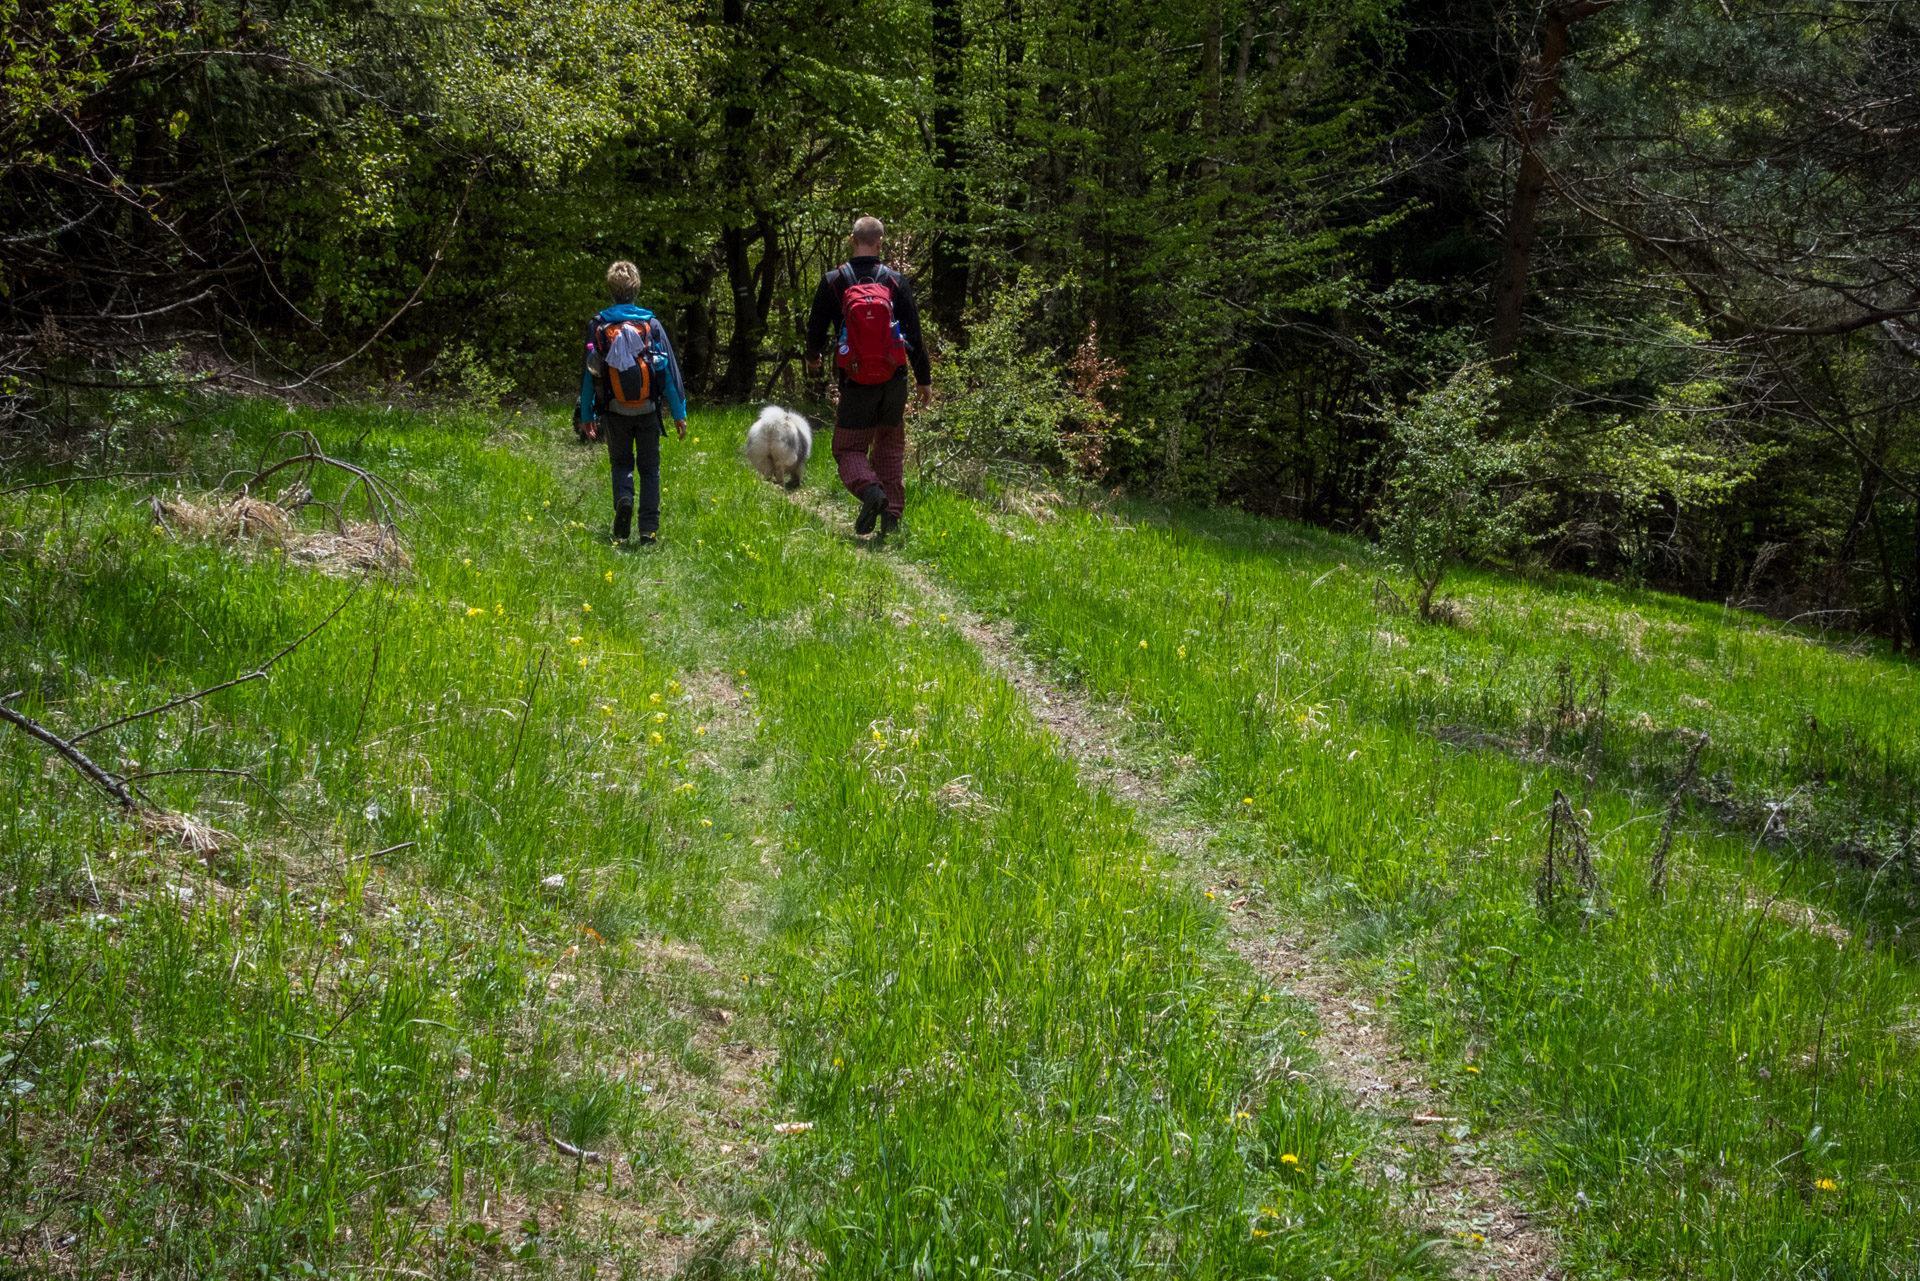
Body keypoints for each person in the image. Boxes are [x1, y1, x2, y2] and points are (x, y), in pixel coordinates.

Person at [805, 216, 932, 542]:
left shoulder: (834, 280)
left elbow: (816, 330)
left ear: (851, 240)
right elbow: (914, 336)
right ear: (880, 243)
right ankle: (891, 519)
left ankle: (871, 491)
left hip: (856, 380)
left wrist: (813, 358)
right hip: (895, 378)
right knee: (890, 444)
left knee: (847, 448)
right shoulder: (895, 281)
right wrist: (923, 380)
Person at [577, 260, 689, 544]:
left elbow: (591, 374)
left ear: (611, 290)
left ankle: (624, 499)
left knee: (621, 464)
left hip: (614, 410)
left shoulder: (599, 325)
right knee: (650, 470)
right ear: (636, 288)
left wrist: (586, 412)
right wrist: (679, 413)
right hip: (649, 410)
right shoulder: (651, 324)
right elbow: (669, 372)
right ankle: (648, 531)